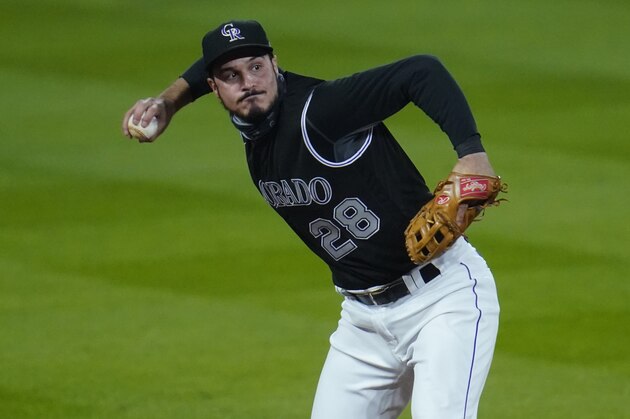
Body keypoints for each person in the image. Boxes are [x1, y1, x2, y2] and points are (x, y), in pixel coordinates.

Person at [122, 20, 501, 419]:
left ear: (275, 63)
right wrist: (169, 101)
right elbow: (215, 64)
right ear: (214, 88)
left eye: (257, 67)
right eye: (231, 77)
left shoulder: (321, 110)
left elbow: (420, 72)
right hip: (364, 323)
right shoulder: (255, 123)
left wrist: (471, 153)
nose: (249, 82)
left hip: (440, 301)